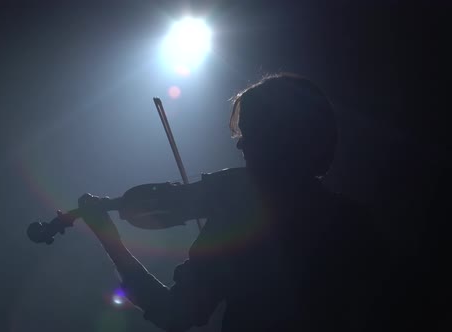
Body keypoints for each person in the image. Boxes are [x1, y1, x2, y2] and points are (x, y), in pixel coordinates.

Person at [74, 73, 386, 331]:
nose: (241, 143)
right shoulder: (355, 222)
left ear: (283, 139)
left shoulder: (240, 220)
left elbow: (176, 314)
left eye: (252, 132)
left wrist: (111, 241)